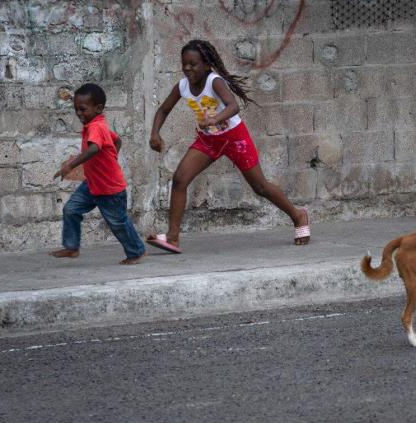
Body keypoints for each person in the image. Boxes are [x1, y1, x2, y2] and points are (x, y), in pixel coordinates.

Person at [147, 39, 310, 253]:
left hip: (235, 139)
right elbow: (163, 110)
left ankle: (298, 215)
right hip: (208, 141)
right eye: (184, 63)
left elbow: (233, 106)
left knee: (260, 187)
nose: (187, 68)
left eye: (193, 64)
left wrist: (214, 120)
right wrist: (155, 133)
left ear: (206, 65)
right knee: (179, 179)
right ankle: (173, 237)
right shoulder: (183, 86)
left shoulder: (214, 81)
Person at [50, 83, 147, 265]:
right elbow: (117, 141)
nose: (78, 113)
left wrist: (70, 165)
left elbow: (94, 148)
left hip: (110, 190)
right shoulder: (95, 125)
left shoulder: (96, 127)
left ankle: (136, 251)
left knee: (118, 223)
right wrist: (111, 158)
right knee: (71, 209)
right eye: (76, 109)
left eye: (82, 109)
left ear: (98, 108)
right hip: (93, 184)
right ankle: (72, 247)